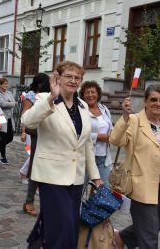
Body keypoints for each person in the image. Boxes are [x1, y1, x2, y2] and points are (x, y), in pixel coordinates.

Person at [21, 61, 102, 249]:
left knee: (68, 224)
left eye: (77, 78)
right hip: (52, 176)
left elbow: (86, 144)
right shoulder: (44, 98)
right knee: (63, 225)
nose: (73, 81)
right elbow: (28, 121)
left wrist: (96, 176)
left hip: (76, 178)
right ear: (57, 78)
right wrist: (51, 98)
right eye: (69, 76)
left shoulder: (82, 106)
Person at [110, 85, 160, 249]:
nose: (157, 103)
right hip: (143, 187)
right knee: (150, 238)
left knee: (153, 225)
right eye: (153, 99)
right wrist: (125, 115)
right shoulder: (135, 120)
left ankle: (123, 236)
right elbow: (116, 140)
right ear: (145, 101)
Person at [20, 73, 50, 217]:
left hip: (50, 136)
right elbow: (25, 117)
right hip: (36, 135)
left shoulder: (52, 95)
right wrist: (24, 132)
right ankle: (29, 200)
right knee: (34, 167)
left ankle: (44, 201)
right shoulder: (31, 95)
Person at [79, 81, 113, 187]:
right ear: (82, 96)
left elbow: (110, 127)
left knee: (105, 191)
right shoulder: (80, 110)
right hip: (85, 158)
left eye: (93, 92)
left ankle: (95, 204)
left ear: (98, 94)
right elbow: (77, 133)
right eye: (87, 92)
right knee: (79, 191)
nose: (90, 95)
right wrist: (98, 136)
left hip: (103, 157)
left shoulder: (104, 109)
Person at [0, 78, 17, 164]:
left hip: (9, 118)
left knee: (10, 137)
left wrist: (10, 103)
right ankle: (3, 158)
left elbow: (12, 102)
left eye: (7, 84)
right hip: (1, 118)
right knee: (3, 138)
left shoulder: (9, 93)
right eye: (4, 84)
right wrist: (11, 103)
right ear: (0, 85)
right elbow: (2, 104)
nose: (6, 85)